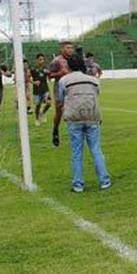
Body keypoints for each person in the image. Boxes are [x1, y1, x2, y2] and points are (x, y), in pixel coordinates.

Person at [57, 53, 111, 193]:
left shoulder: (64, 80)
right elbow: (97, 94)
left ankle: (78, 184)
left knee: (76, 153)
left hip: (74, 118)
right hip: (92, 116)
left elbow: (60, 99)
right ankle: (104, 180)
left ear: (69, 66)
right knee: (96, 150)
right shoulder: (94, 80)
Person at [49, 40, 73, 146]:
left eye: (71, 48)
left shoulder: (74, 59)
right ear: (62, 49)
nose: (70, 50)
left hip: (72, 87)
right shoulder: (56, 61)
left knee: (72, 110)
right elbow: (49, 75)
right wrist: (60, 73)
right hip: (59, 88)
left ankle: (74, 133)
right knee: (59, 111)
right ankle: (55, 130)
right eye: (67, 47)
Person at [31, 53, 52, 126]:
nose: (42, 61)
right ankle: (37, 119)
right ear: (37, 60)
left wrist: (49, 76)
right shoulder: (33, 69)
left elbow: (49, 75)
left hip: (45, 88)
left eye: (43, 59)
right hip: (37, 90)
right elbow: (29, 78)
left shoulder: (45, 68)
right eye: (40, 60)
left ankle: (43, 113)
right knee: (38, 105)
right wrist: (34, 82)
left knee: (49, 103)